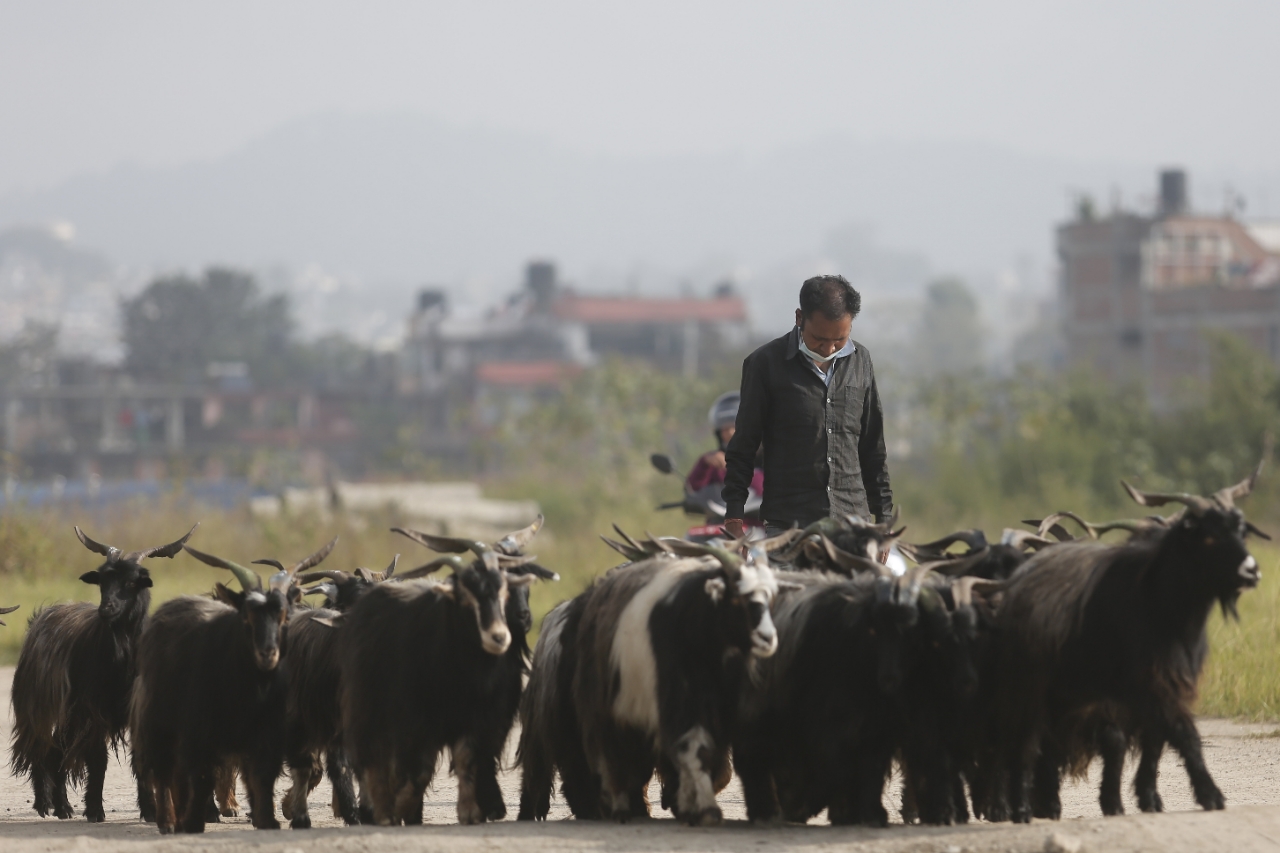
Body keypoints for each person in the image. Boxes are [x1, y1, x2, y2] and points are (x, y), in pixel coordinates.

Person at [722, 275, 892, 551]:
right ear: (800, 318)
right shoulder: (765, 364)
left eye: (839, 339)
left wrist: (883, 518)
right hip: (789, 528)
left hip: (853, 527)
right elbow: (743, 447)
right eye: (819, 339)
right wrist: (734, 516)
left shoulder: (861, 361)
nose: (828, 349)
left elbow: (873, 447)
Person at [685, 391, 764, 499]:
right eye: (725, 429)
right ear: (719, 433)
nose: (731, 432)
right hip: (722, 515)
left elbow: (763, 489)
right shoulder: (715, 462)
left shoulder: (768, 458)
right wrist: (704, 464)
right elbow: (693, 490)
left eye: (736, 427)